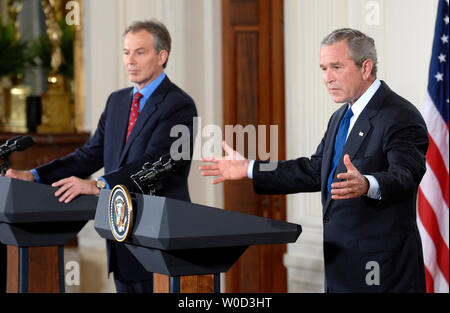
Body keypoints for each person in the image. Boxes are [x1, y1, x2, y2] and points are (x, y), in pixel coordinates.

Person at [200, 28, 428, 293]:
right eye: (323, 68)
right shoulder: (340, 116)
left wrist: (367, 184)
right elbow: (314, 169)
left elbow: (407, 175)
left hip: (382, 271)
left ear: (365, 68)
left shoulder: (398, 114)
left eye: (336, 67)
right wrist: (250, 168)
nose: (327, 78)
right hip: (341, 266)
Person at [6, 19, 197, 293]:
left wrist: (98, 185)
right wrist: (35, 176)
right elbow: (88, 155)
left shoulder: (180, 105)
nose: (130, 60)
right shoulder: (117, 102)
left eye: (139, 52)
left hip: (159, 236)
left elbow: (156, 163)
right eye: (126, 52)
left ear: (161, 56)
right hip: (120, 234)